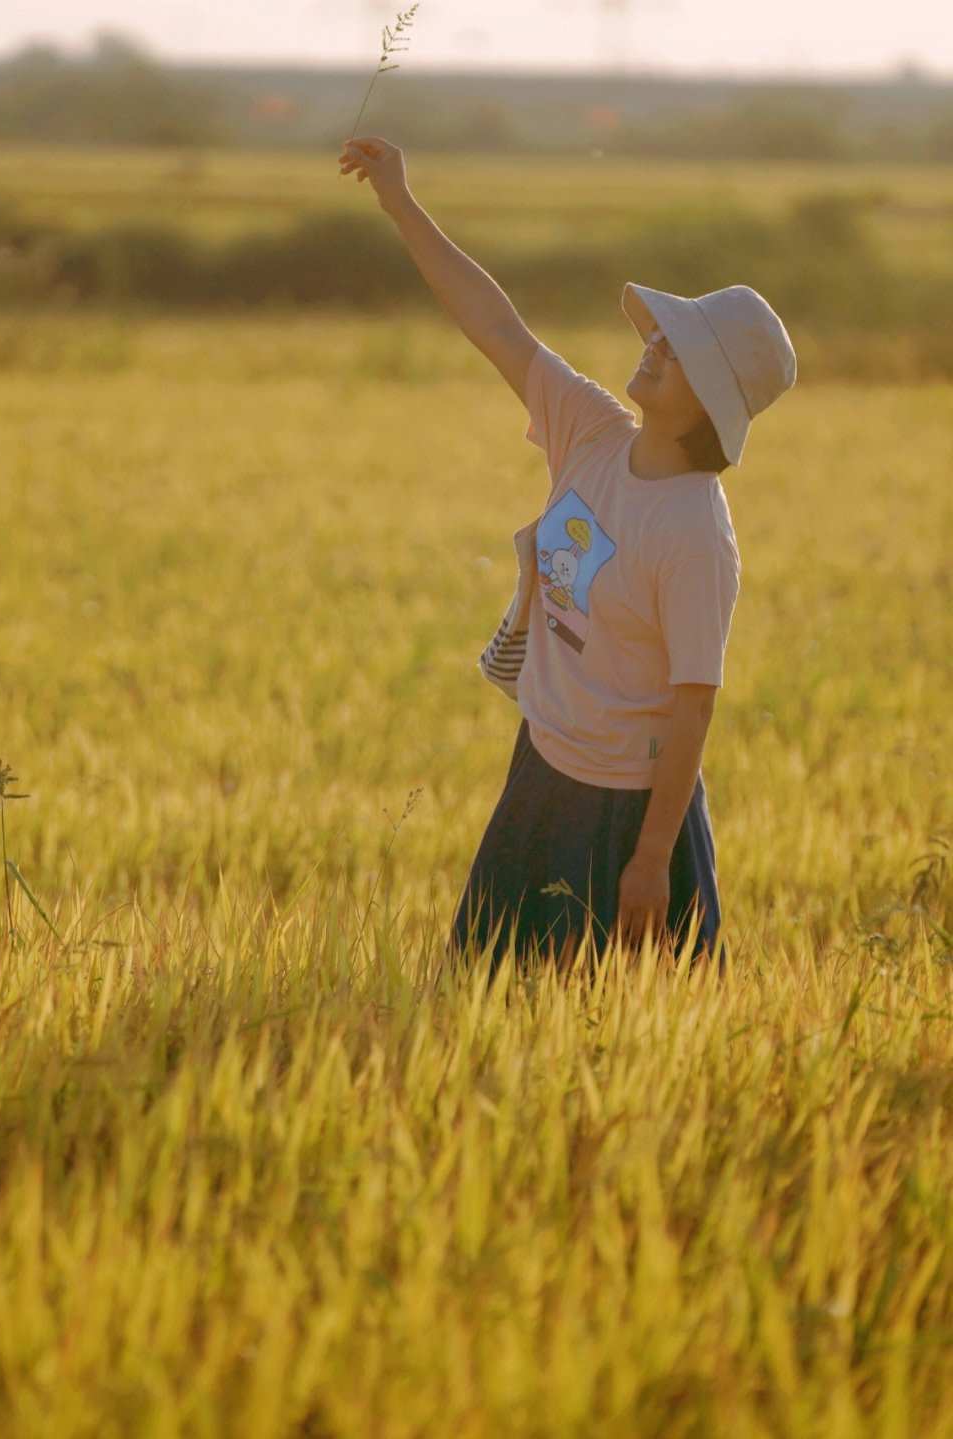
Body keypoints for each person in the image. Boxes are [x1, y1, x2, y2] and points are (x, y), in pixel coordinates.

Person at [339, 136, 796, 967]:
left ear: (713, 402)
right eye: (660, 335)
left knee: (613, 1026)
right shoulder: (588, 430)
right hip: (542, 766)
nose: (653, 346)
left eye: (678, 349)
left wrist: (652, 860)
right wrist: (401, 202)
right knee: (486, 994)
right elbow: (494, 323)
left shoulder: (696, 534)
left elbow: (694, 708)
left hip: (626, 811)